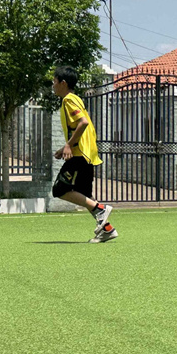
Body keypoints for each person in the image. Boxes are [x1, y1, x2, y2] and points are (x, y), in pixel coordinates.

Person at [52, 65, 117, 243]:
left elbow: (83, 122)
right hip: (87, 153)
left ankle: (102, 209)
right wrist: (64, 148)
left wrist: (69, 146)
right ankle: (107, 230)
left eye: (54, 81)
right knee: (85, 196)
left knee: (59, 189)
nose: (53, 84)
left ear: (63, 83)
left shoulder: (68, 100)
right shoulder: (76, 99)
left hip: (80, 154)